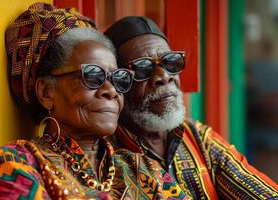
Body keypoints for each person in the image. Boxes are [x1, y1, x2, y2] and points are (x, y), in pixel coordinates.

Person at [105, 16, 278, 199]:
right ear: (118, 82)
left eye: (170, 62)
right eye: (142, 68)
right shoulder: (105, 154)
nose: (164, 76)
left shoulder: (197, 136)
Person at [0, 3, 135, 199]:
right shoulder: (17, 165)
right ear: (46, 92)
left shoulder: (139, 169)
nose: (111, 91)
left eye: (117, 78)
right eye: (93, 76)